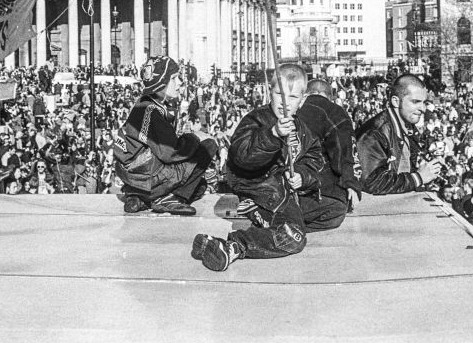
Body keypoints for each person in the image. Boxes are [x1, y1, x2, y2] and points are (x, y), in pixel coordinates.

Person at [191, 63, 332, 272]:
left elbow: (314, 159)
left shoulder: (303, 129)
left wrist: (303, 176)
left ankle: (210, 244)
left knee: (328, 213)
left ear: (302, 101)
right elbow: (243, 156)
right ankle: (233, 246)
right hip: (259, 189)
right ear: (269, 91)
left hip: (282, 191)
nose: (285, 102)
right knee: (293, 237)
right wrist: (272, 134)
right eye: (279, 94)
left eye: (293, 97)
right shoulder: (256, 120)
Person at [114, 56, 218, 216]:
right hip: (147, 177)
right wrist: (195, 137)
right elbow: (170, 153)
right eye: (174, 78)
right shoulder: (152, 111)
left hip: (132, 179)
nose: (180, 83)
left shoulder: (143, 105)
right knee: (209, 145)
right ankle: (169, 199)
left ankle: (139, 197)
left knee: (200, 185)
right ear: (161, 82)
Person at [356, 74, 442, 195]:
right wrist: (418, 178)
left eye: (424, 102)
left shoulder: (408, 128)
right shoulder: (375, 132)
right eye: (415, 102)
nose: (422, 109)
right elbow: (371, 182)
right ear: (396, 101)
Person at [295, 78, 361, 219]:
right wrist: (350, 183)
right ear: (330, 97)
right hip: (315, 187)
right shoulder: (334, 111)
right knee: (336, 210)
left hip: (286, 181)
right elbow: (345, 150)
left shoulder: (292, 107)